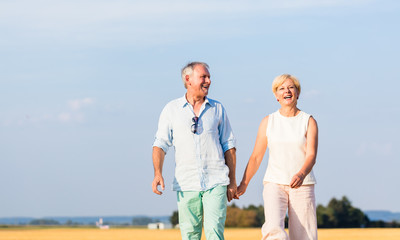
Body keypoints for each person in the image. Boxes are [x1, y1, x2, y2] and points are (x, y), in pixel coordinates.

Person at [152, 62, 237, 240]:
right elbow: (160, 144)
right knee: (190, 234)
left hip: (216, 180)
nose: (209, 81)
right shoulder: (171, 109)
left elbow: (229, 145)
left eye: (209, 77)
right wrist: (158, 172)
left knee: (215, 232)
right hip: (186, 182)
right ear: (188, 79)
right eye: (204, 77)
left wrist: (232, 181)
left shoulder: (218, 109)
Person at [236, 74, 318, 240]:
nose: (286, 91)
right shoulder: (268, 121)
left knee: (305, 236)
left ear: (298, 92)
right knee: (273, 230)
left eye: (291, 87)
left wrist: (301, 174)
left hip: (302, 185)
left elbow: (311, 155)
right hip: (274, 183)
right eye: (281, 88)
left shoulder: (308, 121)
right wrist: (244, 184)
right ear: (276, 95)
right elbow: (256, 157)